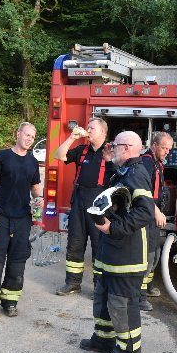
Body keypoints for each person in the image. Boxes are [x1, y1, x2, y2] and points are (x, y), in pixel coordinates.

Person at [78, 131, 155, 353]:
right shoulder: (122, 172)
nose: (112, 147)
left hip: (127, 254)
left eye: (116, 145)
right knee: (103, 297)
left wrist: (114, 227)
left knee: (122, 303)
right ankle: (103, 339)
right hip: (112, 253)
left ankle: (129, 351)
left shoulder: (138, 174)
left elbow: (145, 212)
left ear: (128, 147)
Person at [0, 122, 42, 319]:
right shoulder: (2, 157)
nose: (29, 139)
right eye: (27, 135)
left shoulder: (32, 162)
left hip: (22, 218)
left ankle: (10, 302)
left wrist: (39, 198)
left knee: (17, 262)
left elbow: (35, 188)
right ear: (18, 133)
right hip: (0, 216)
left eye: (33, 136)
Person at [53, 117, 115, 296]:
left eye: (92, 127)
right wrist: (72, 137)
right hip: (79, 202)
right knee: (75, 244)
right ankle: (72, 283)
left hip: (99, 206)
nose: (88, 129)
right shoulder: (81, 150)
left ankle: (99, 287)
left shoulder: (110, 152)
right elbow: (58, 155)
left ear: (103, 132)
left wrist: (111, 160)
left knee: (99, 247)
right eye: (87, 126)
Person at [138, 131, 174, 311]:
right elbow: (143, 193)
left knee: (156, 253)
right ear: (154, 145)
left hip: (153, 215)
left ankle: (148, 286)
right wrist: (157, 212)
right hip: (147, 214)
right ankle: (140, 296)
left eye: (169, 149)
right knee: (148, 255)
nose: (167, 151)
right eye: (164, 147)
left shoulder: (157, 162)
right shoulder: (146, 162)